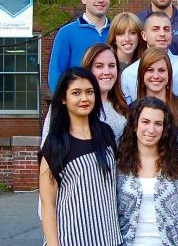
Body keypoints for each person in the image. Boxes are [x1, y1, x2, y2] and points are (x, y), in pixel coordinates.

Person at [39, 67, 122, 246]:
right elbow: (48, 205)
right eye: (76, 93)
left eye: (89, 92)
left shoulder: (106, 134)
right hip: (71, 238)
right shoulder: (55, 143)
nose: (84, 98)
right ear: (63, 98)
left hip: (109, 238)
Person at [117, 97, 178, 246]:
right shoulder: (120, 164)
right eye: (145, 122)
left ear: (164, 128)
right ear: (135, 125)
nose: (151, 129)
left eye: (158, 124)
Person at [122, 11, 178, 109]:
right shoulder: (128, 73)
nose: (162, 34)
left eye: (166, 29)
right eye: (155, 29)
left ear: (171, 34)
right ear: (144, 35)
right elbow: (128, 115)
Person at [48, 0, 111, 92]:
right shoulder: (66, 33)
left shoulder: (117, 32)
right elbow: (56, 72)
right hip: (78, 101)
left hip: (111, 101)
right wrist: (63, 100)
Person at [135, 47, 178, 144]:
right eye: (150, 70)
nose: (156, 76)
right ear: (142, 74)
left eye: (161, 70)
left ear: (169, 75)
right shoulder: (131, 110)